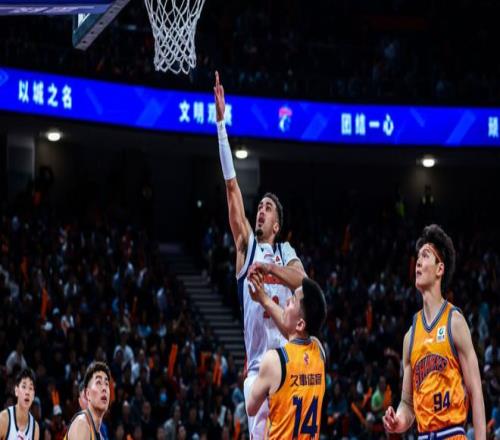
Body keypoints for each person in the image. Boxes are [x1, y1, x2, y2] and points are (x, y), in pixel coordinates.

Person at [214, 71, 306, 438]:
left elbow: (303, 282)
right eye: (260, 207)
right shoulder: (246, 245)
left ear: (278, 224)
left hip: (288, 365)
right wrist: (221, 127)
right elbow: (232, 188)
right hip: (257, 370)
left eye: (268, 208)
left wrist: (268, 268)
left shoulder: (286, 251)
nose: (261, 211)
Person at [383, 225, 486, 439]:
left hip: (452, 433)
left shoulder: (454, 322)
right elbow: (407, 403)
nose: (418, 262)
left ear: (440, 269)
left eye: (426, 255)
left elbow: (476, 391)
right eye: (418, 257)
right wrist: (398, 421)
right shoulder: (410, 337)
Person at [246, 274, 327, 439]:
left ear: (301, 323)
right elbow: (294, 332)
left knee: (250, 381)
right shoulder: (319, 352)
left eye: (292, 301)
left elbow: (251, 408)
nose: (287, 301)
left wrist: (252, 375)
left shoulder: (274, 360)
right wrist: (263, 298)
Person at [65, 362, 111, 440]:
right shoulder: (82, 422)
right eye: (98, 382)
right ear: (88, 394)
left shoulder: (100, 434)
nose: (104, 388)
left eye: (106, 383)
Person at [0, 368, 40, 440]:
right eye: (24, 387)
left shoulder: (35, 428)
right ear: (16, 391)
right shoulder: (3, 419)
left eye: (30, 388)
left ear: (33, 395)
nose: (27, 392)